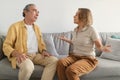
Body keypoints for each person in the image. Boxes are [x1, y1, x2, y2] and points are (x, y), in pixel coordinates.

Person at [3, 3, 58, 80]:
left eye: (38, 12)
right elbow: (6, 46)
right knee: (28, 67)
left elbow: (41, 44)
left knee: (54, 60)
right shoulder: (15, 27)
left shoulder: (37, 28)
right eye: (34, 11)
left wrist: (44, 50)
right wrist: (17, 53)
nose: (37, 14)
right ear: (25, 12)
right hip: (22, 55)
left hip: (35, 55)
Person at [57, 8, 111, 80]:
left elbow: (99, 46)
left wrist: (103, 48)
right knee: (61, 62)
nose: (74, 16)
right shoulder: (75, 30)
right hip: (74, 57)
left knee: (71, 70)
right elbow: (76, 42)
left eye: (76, 14)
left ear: (83, 16)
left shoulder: (91, 30)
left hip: (88, 59)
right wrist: (66, 40)